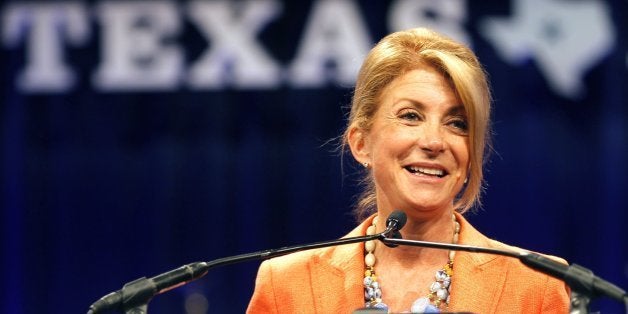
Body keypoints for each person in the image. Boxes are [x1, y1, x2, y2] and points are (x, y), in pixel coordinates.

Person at [247, 27, 570, 313]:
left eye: (457, 123)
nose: (434, 141)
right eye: (411, 116)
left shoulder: (537, 283)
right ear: (362, 143)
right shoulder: (286, 285)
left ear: (472, 153)